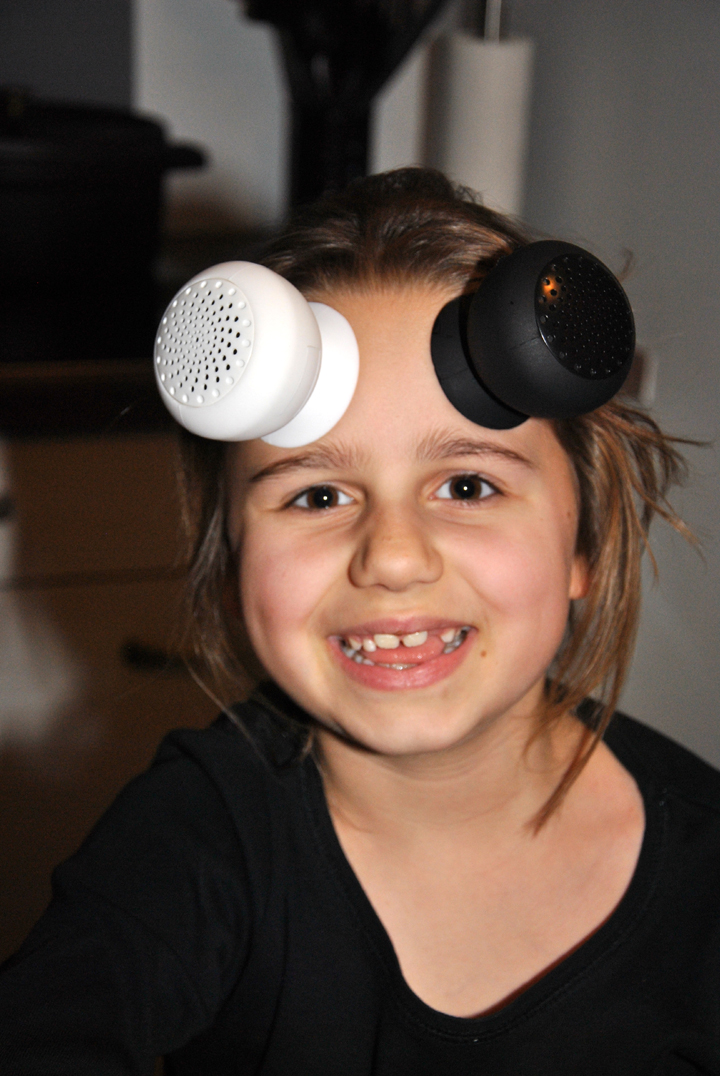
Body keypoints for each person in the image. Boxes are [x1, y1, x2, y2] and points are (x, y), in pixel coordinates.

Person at [0, 168, 715, 1075]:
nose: (393, 557)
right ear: (231, 561)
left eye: (468, 486)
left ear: (585, 545)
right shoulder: (195, 840)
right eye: (319, 495)